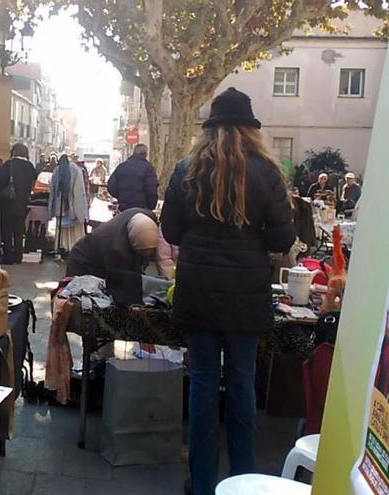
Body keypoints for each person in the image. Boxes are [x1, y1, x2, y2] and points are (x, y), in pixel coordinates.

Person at [160, 87, 295, 494]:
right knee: (241, 384)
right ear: (250, 130)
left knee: (201, 384)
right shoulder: (267, 173)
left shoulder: (188, 169)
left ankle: (202, 483)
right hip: (246, 295)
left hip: (198, 291)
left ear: (210, 129)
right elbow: (283, 238)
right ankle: (243, 480)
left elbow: (169, 230)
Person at [65, 208, 159, 279]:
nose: (147, 255)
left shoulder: (148, 217)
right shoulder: (115, 248)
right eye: (142, 252)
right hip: (82, 264)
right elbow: (120, 280)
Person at [0, 143, 38, 264]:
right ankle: (18, 256)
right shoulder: (29, 166)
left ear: (14, 152)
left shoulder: (9, 164)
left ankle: (8, 256)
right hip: (22, 203)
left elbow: (0, 181)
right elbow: (33, 180)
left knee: (6, 230)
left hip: (8, 202)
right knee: (19, 230)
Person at [108, 144, 159, 211]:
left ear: (133, 152)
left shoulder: (122, 166)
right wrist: (151, 206)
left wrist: (121, 197)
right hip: (141, 208)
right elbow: (151, 190)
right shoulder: (149, 168)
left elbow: (111, 186)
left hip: (124, 207)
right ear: (146, 154)